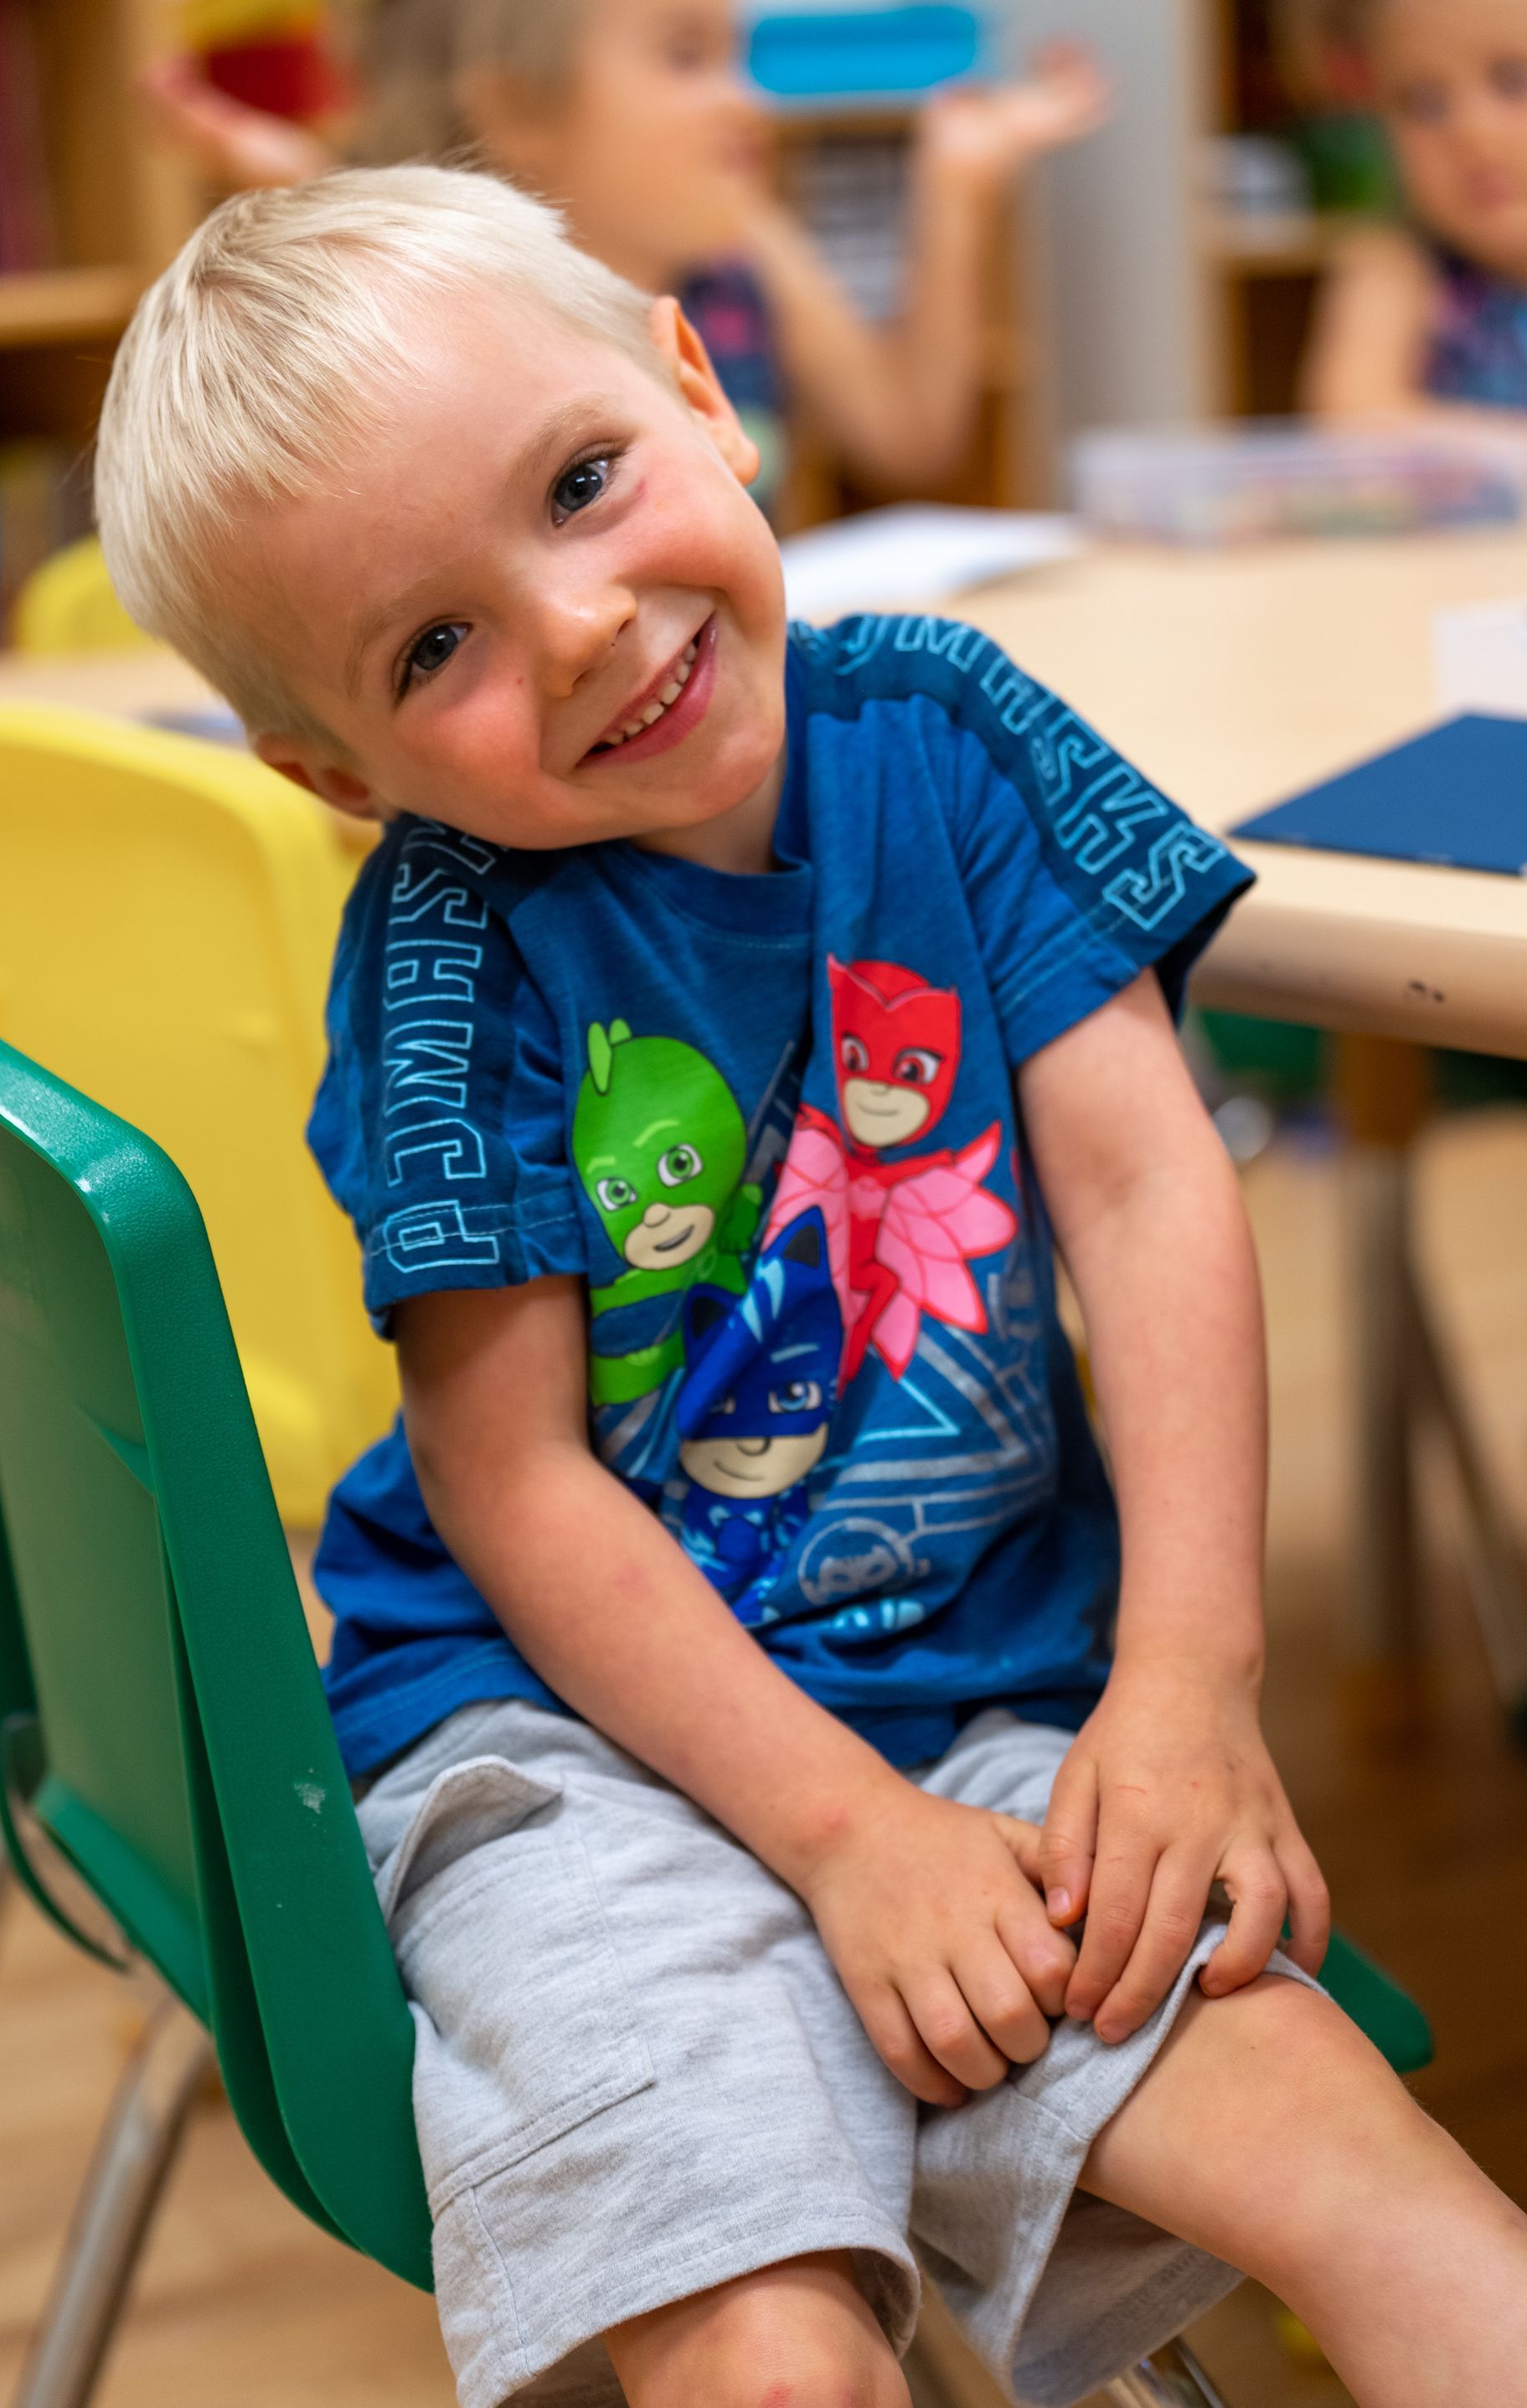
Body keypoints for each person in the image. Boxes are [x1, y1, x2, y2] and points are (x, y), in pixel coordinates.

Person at [94, 166, 1527, 2408]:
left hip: (1006, 1684)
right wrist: (848, 1834)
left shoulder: (948, 732)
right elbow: (515, 1485)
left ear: (698, 384)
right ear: (332, 775)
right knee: (775, 2366)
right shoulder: (450, 954)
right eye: (431, 649)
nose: (574, 626)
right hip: (566, 1744)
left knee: (1414, 2225)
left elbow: (1156, 1192)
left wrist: (1192, 1680)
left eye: (582, 483)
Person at [142, 0, 1108, 517]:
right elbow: (364, 228)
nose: (750, 102)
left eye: (738, 55)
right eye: (688, 56)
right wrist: (262, 165)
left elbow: (908, 434)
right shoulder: (456, 304)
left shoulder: (744, 243)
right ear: (520, 107)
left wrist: (953, 189)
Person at [1306, 0, 1527, 420]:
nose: (1473, 131)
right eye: (1425, 103)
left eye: (1514, 80)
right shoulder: (1395, 263)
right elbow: (1350, 417)